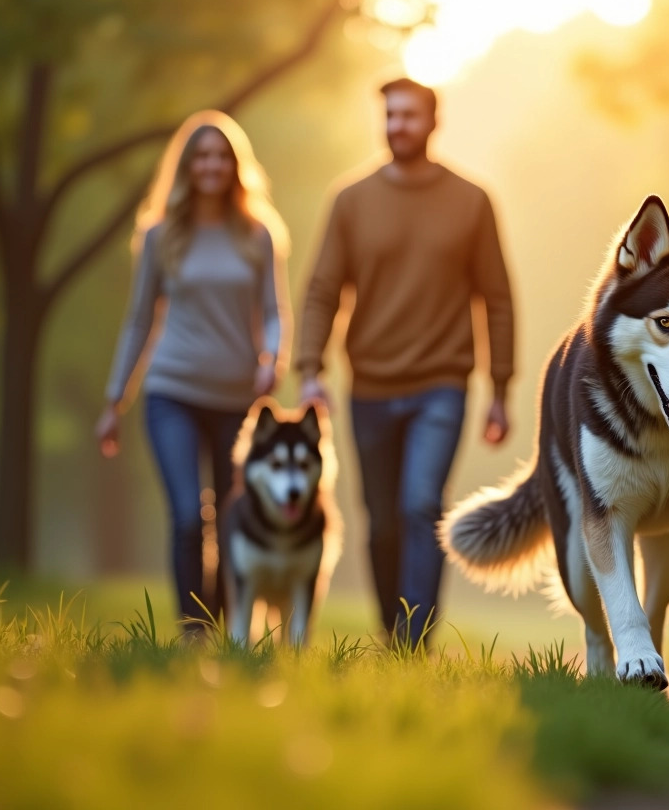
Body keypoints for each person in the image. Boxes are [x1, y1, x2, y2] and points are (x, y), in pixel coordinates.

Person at [295, 77, 516, 646]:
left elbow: (496, 297)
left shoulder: (471, 200)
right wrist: (310, 370)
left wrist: (500, 388)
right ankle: (391, 633)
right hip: (368, 384)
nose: (398, 126)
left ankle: (413, 644)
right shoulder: (351, 199)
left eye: (409, 116)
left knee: (421, 505)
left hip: (441, 384)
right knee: (381, 521)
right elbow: (322, 289)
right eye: (390, 116)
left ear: (433, 122)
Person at [96, 110, 290, 636]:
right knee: (188, 515)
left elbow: (275, 311)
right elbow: (139, 320)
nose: (211, 165)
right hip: (172, 392)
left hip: (236, 398)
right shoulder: (161, 235)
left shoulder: (259, 234)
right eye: (202, 156)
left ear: (235, 165)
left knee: (232, 521)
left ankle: (228, 629)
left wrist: (272, 358)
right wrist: (115, 402)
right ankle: (193, 632)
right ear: (186, 165)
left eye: (221, 157)